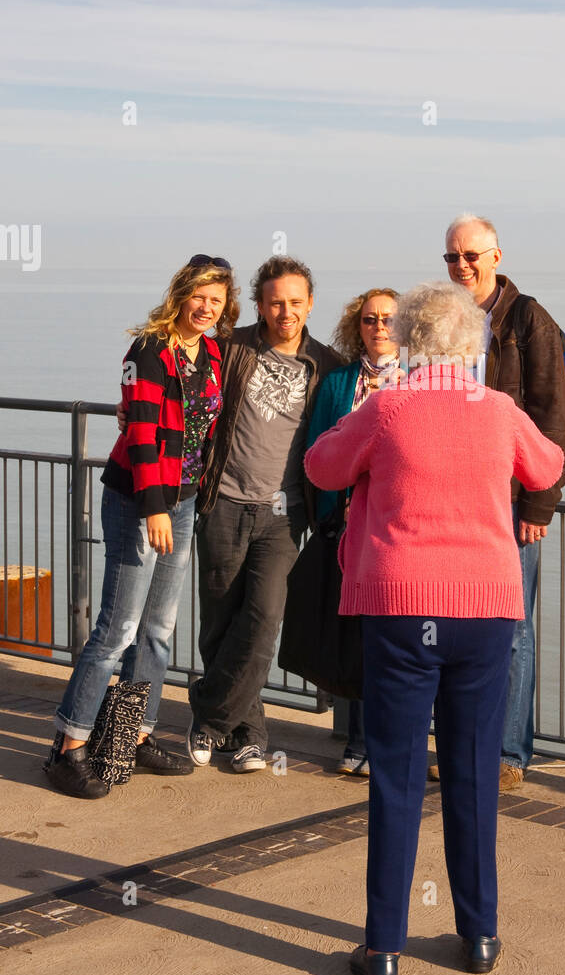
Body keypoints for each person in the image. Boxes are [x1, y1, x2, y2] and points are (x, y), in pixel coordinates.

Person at [304, 281, 565, 975]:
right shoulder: (500, 410)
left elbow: (321, 466)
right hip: (484, 609)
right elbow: (546, 466)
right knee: (474, 772)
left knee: (393, 774)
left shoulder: (386, 406)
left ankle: (382, 950)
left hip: (399, 607)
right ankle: (478, 935)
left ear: (414, 342)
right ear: (473, 343)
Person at [46, 257, 238, 799]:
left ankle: (132, 736)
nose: (206, 308)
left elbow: (202, 432)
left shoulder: (213, 353)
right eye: (199, 296)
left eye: (216, 301)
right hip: (139, 499)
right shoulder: (151, 351)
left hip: (182, 499)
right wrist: (155, 507)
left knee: (157, 628)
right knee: (117, 630)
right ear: (180, 295)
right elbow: (143, 436)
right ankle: (68, 745)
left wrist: (180, 501)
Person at [187, 256, 342, 772]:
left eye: (296, 302)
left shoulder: (328, 365)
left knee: (263, 619)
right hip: (223, 504)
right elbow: (181, 379)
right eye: (276, 302)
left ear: (310, 304)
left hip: (284, 514)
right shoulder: (231, 348)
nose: (286, 311)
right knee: (220, 623)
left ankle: (208, 718)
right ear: (259, 305)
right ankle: (249, 735)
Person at [442, 214, 565, 790]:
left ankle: (510, 755)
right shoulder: (448, 320)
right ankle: (467, 748)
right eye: (453, 257)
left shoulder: (529, 321)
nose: (462, 266)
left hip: (513, 502)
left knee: (513, 627)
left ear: (496, 256)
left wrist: (540, 507)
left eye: (472, 255)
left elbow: (553, 418)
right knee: (462, 627)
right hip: (456, 503)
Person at [304, 288, 400, 776]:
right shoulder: (339, 382)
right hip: (348, 528)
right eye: (369, 320)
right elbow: (319, 447)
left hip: (400, 529)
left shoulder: (421, 380)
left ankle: (393, 744)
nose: (379, 327)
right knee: (360, 635)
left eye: (388, 318)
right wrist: (324, 517)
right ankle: (360, 742)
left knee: (396, 636)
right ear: (356, 327)